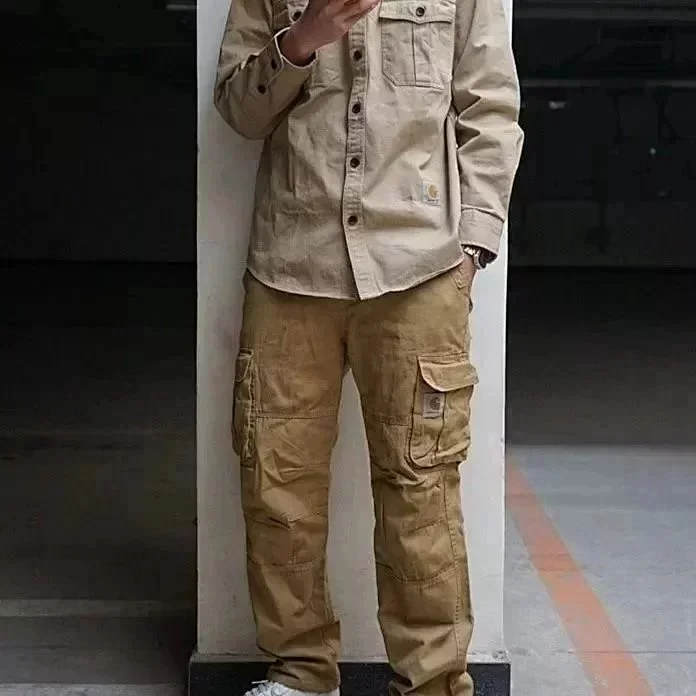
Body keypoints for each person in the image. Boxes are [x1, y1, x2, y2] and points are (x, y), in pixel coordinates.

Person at [214, 0, 523, 690]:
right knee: (276, 484)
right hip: (290, 267)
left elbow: (492, 108)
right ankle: (300, 671)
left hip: (420, 270)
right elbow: (238, 110)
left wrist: (473, 246)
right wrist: (303, 39)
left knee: (421, 487)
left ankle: (433, 684)